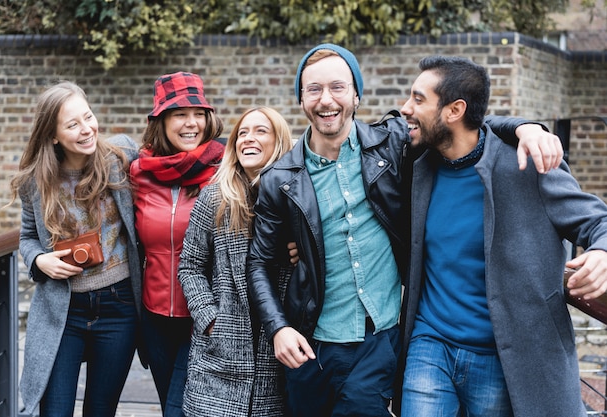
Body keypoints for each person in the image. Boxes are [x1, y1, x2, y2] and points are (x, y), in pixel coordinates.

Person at [245, 43, 565, 417]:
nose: (326, 100)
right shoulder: (279, 178)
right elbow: (258, 264)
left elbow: (459, 121)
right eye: (313, 89)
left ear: (356, 95)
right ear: (301, 99)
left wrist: (525, 127)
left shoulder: (393, 143)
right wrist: (278, 327)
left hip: (377, 339)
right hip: (309, 344)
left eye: (338, 87)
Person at [398, 55, 607, 417]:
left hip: (501, 356)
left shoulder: (527, 164)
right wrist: (525, 124)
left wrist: (602, 252)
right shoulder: (418, 162)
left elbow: (598, 221)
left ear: (454, 110)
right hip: (429, 343)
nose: (405, 108)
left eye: (418, 99)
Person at [11, 81, 143, 417]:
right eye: (73, 124)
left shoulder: (121, 156)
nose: (87, 129)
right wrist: (40, 260)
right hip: (62, 309)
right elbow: (27, 237)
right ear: (53, 135)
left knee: (101, 411)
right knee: (53, 411)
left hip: (120, 306)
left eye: (88, 117)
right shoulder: (35, 181)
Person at [177, 106, 294, 416]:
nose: (248, 139)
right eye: (242, 133)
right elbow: (190, 265)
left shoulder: (298, 198)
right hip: (218, 360)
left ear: (279, 141)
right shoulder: (215, 197)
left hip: (276, 362)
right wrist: (211, 320)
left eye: (260, 131)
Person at [130, 71, 226, 416]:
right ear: (161, 121)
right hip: (154, 319)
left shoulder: (224, 170)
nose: (192, 123)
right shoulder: (138, 173)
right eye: (180, 114)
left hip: (202, 316)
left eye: (198, 113)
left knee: (180, 410)